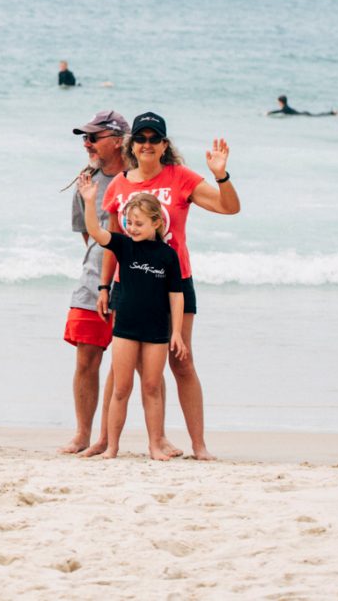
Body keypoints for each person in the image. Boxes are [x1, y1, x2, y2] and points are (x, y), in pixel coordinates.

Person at [98, 111, 237, 461]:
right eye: (140, 139)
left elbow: (229, 207)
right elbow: (113, 242)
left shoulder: (181, 178)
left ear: (164, 145)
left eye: (153, 139)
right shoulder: (119, 185)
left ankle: (199, 445)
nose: (146, 144)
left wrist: (221, 176)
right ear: (132, 145)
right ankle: (134, 441)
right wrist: (103, 287)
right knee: (132, 371)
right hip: (130, 287)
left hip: (175, 284)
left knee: (181, 361)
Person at [77, 180, 186, 461]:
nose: (132, 228)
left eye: (138, 223)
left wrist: (177, 333)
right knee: (121, 388)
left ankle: (154, 446)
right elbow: (96, 232)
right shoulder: (124, 245)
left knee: (151, 388)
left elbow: (176, 295)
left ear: (157, 222)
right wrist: (90, 201)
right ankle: (112, 447)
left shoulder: (168, 256)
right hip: (125, 327)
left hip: (157, 330)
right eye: (129, 222)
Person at [62, 110, 128, 455]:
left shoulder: (139, 178)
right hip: (91, 282)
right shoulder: (86, 181)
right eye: (84, 138)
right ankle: (82, 434)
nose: (86, 144)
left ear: (118, 141)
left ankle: (112, 436)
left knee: (133, 362)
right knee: (86, 358)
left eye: (93, 137)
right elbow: (87, 236)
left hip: (133, 283)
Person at [268, 95, 338, 117]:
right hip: (303, 113)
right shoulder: (286, 107)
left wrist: (269, 112)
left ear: (280, 102)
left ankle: (332, 113)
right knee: (317, 115)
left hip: (304, 114)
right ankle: (332, 113)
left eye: (278, 102)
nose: (278, 103)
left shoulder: (285, 108)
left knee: (318, 116)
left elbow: (279, 111)